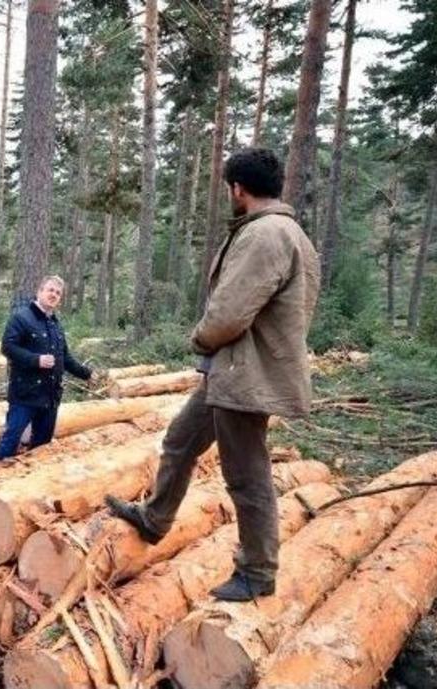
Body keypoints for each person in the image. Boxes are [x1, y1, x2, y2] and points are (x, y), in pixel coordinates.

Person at [105, 147, 320, 602]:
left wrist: (201, 339)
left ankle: (258, 572)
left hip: (246, 376)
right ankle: (155, 518)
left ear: (237, 189)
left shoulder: (266, 235)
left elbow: (229, 313)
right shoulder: (287, 233)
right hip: (233, 373)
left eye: (230, 187)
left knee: (247, 475)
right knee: (181, 440)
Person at [0, 275, 93, 459]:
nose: (54, 295)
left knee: (41, 449)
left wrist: (87, 374)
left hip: (50, 397)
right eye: (50, 290)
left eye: (58, 293)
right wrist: (35, 359)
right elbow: (7, 347)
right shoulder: (21, 318)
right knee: (10, 441)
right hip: (25, 395)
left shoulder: (56, 325)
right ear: (39, 292)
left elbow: (65, 358)